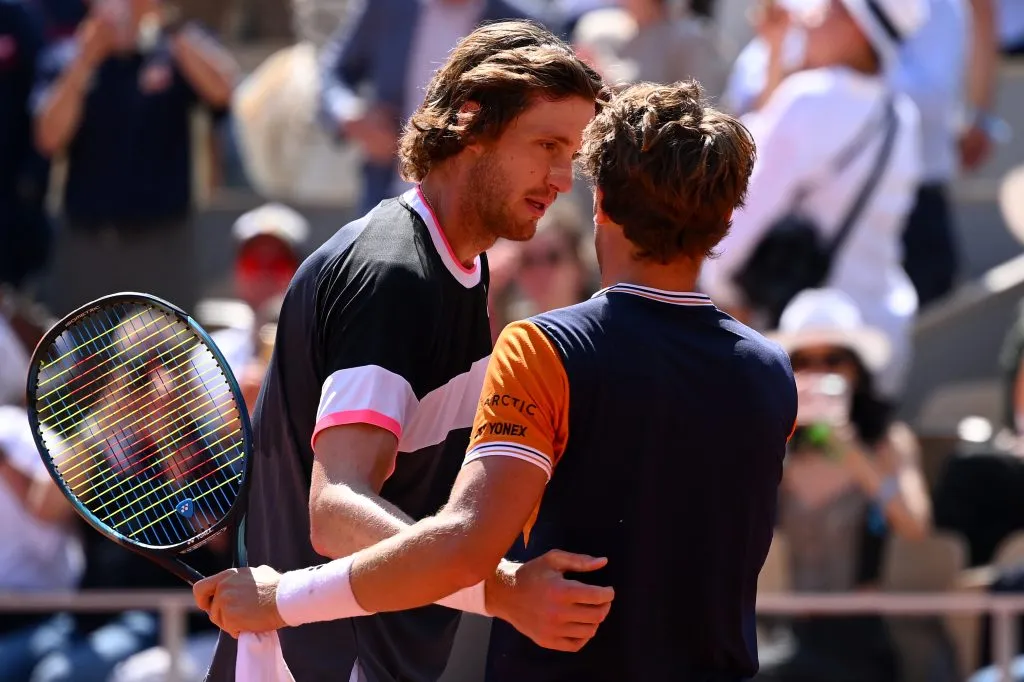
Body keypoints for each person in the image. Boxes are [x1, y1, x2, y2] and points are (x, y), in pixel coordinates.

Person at [195, 79, 800, 682]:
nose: (559, 174)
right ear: (725, 223)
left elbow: (462, 547)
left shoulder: (545, 349)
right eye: (548, 147)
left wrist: (280, 600)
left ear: (602, 203)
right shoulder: (774, 373)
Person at [201, 20, 609, 682]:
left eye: (573, 154)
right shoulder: (395, 275)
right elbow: (336, 510)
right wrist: (504, 590)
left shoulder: (458, 271)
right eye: (547, 146)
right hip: (323, 664)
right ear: (473, 125)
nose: (563, 179)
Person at [700, 0, 926, 402]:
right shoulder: (901, 115)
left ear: (859, 27)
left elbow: (735, 223)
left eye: (832, 7)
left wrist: (719, 295)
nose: (811, 13)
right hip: (877, 341)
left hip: (801, 346)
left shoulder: (810, 96)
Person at [756, 287, 933, 682]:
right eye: (804, 362)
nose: (818, 374)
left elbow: (916, 527)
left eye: (833, 360)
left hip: (860, 634)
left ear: (856, 371)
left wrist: (856, 459)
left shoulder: (886, 444)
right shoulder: (768, 445)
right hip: (781, 628)